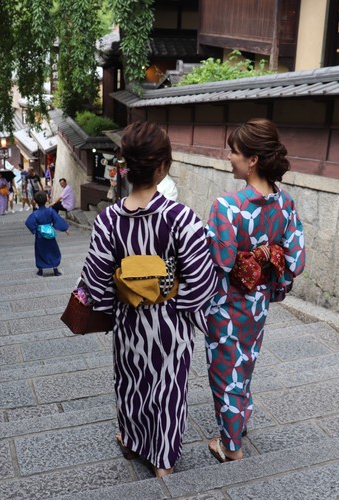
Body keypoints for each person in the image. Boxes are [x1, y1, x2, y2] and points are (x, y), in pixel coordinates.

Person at [80, 121, 216, 477]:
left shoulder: (108, 219)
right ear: (162, 167)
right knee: (169, 389)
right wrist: (186, 308)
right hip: (171, 321)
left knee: (130, 381)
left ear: (126, 166)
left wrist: (112, 305)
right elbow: (201, 277)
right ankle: (163, 463)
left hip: (129, 319)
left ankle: (130, 439)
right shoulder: (181, 218)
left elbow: (95, 277)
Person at [204, 118, 306, 463]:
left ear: (252, 160)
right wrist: (274, 287)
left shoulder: (228, 206)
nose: (228, 157)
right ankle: (240, 418)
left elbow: (218, 260)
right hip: (259, 300)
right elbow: (295, 259)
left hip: (227, 302)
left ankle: (230, 446)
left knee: (224, 369)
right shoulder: (285, 202)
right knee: (245, 360)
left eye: (234, 152)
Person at [25, 191, 69, 276]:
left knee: (40, 251)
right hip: (50, 233)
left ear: (35, 201)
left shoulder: (35, 213)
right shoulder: (50, 211)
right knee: (53, 250)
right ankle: (55, 269)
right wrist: (65, 228)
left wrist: (34, 229)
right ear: (46, 200)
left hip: (40, 235)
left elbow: (28, 222)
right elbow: (57, 219)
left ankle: (40, 270)